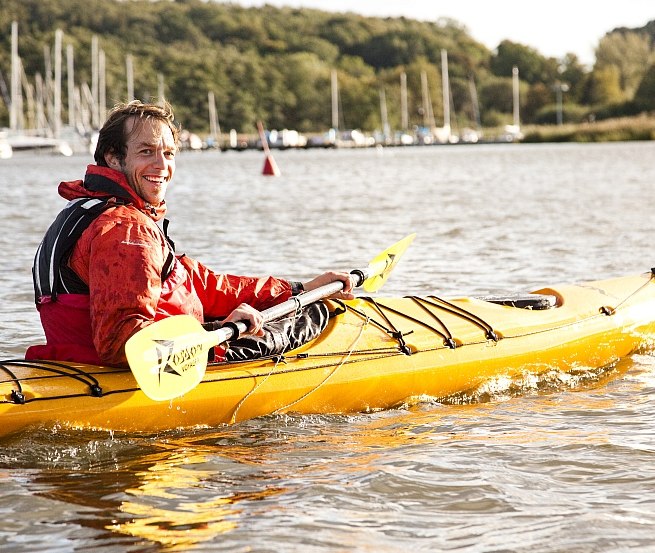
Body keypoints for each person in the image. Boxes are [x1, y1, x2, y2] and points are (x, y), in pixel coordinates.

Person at [26, 100, 353, 367]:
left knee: (298, 302)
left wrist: (299, 288)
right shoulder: (126, 229)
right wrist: (216, 331)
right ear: (113, 157)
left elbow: (202, 284)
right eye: (146, 152)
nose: (161, 165)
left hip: (82, 359)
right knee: (313, 313)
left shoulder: (90, 212)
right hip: (160, 365)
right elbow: (123, 343)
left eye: (168, 154)